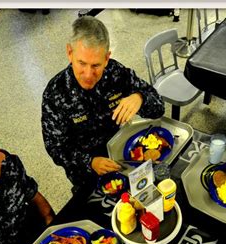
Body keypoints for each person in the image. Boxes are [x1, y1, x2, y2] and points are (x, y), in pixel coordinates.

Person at [41, 16, 165, 193]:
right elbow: (55, 147)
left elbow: (159, 107)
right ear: (70, 53)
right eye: (81, 63)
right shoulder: (55, 93)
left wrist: (140, 97)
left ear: (107, 58)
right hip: (86, 175)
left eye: (96, 65)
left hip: (125, 158)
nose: (88, 74)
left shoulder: (116, 73)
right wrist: (89, 162)